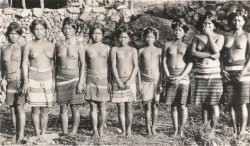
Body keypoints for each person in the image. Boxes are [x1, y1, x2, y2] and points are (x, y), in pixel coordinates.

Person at [191, 10, 224, 138]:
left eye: (210, 23)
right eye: (205, 23)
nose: (207, 25)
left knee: (214, 103)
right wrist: (211, 55)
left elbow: (216, 49)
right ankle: (205, 127)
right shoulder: (196, 37)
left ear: (214, 25)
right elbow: (193, 53)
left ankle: (213, 130)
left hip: (214, 75)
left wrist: (209, 35)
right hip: (200, 74)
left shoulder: (219, 37)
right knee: (204, 104)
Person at [22, 19, 54, 138]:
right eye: (36, 29)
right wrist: (26, 81)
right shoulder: (29, 45)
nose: (39, 32)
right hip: (33, 80)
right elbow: (24, 63)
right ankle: (36, 134)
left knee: (45, 109)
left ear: (45, 30)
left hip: (47, 79)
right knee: (35, 109)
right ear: (32, 31)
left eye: (41, 29)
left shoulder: (51, 45)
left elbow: (54, 64)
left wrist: (54, 81)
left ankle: (43, 134)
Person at [55, 17, 86, 137]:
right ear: (62, 29)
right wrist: (54, 81)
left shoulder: (79, 45)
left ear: (74, 30)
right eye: (65, 28)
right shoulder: (58, 45)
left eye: (70, 28)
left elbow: (83, 64)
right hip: (61, 79)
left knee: (75, 107)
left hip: (74, 79)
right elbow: (55, 64)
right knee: (63, 108)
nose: (67, 31)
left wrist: (81, 81)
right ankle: (64, 132)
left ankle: (73, 132)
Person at [222, 8, 250, 137]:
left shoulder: (247, 35)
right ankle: (234, 130)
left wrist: (243, 72)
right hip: (228, 72)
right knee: (231, 103)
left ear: (244, 21)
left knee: (242, 103)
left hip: (243, 73)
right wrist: (222, 69)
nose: (236, 22)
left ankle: (242, 131)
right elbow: (221, 55)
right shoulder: (225, 35)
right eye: (234, 19)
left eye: (239, 20)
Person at [163, 19, 193, 138]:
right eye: (175, 30)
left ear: (184, 32)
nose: (177, 32)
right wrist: (167, 74)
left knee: (182, 105)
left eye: (180, 30)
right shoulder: (168, 44)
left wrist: (181, 77)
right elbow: (164, 61)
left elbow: (190, 63)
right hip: (171, 77)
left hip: (183, 78)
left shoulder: (187, 45)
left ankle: (181, 130)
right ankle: (175, 130)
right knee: (173, 105)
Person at [0, 22, 26, 143]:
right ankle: (16, 134)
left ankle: (21, 135)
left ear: (20, 35)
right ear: (7, 34)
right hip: (8, 81)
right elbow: (1, 66)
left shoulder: (22, 48)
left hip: (19, 80)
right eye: (11, 33)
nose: (13, 36)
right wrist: (2, 80)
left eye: (16, 34)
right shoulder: (3, 48)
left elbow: (26, 66)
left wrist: (25, 82)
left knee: (20, 108)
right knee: (12, 109)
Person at [110, 26, 138, 138]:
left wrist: (130, 81)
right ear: (117, 38)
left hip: (130, 81)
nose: (123, 39)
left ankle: (129, 130)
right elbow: (113, 66)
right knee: (120, 107)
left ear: (129, 38)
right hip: (118, 81)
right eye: (120, 37)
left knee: (129, 107)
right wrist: (118, 81)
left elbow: (136, 66)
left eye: (125, 37)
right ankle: (123, 129)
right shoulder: (114, 50)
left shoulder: (133, 50)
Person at [85, 22, 111, 139]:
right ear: (90, 35)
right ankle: (94, 130)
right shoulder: (87, 47)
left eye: (99, 33)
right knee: (93, 107)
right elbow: (83, 65)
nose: (96, 36)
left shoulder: (107, 48)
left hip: (104, 79)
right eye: (94, 33)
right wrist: (85, 81)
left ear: (103, 35)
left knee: (102, 107)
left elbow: (111, 66)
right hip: (91, 79)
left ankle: (101, 129)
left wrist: (110, 81)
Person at [138, 27, 162, 138]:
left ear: (155, 38)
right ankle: (147, 128)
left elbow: (161, 68)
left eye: (152, 37)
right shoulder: (141, 51)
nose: (149, 39)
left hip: (156, 81)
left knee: (155, 106)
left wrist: (161, 82)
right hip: (145, 81)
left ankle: (154, 127)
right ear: (144, 37)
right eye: (147, 37)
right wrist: (139, 83)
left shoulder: (159, 50)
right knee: (147, 106)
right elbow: (138, 68)